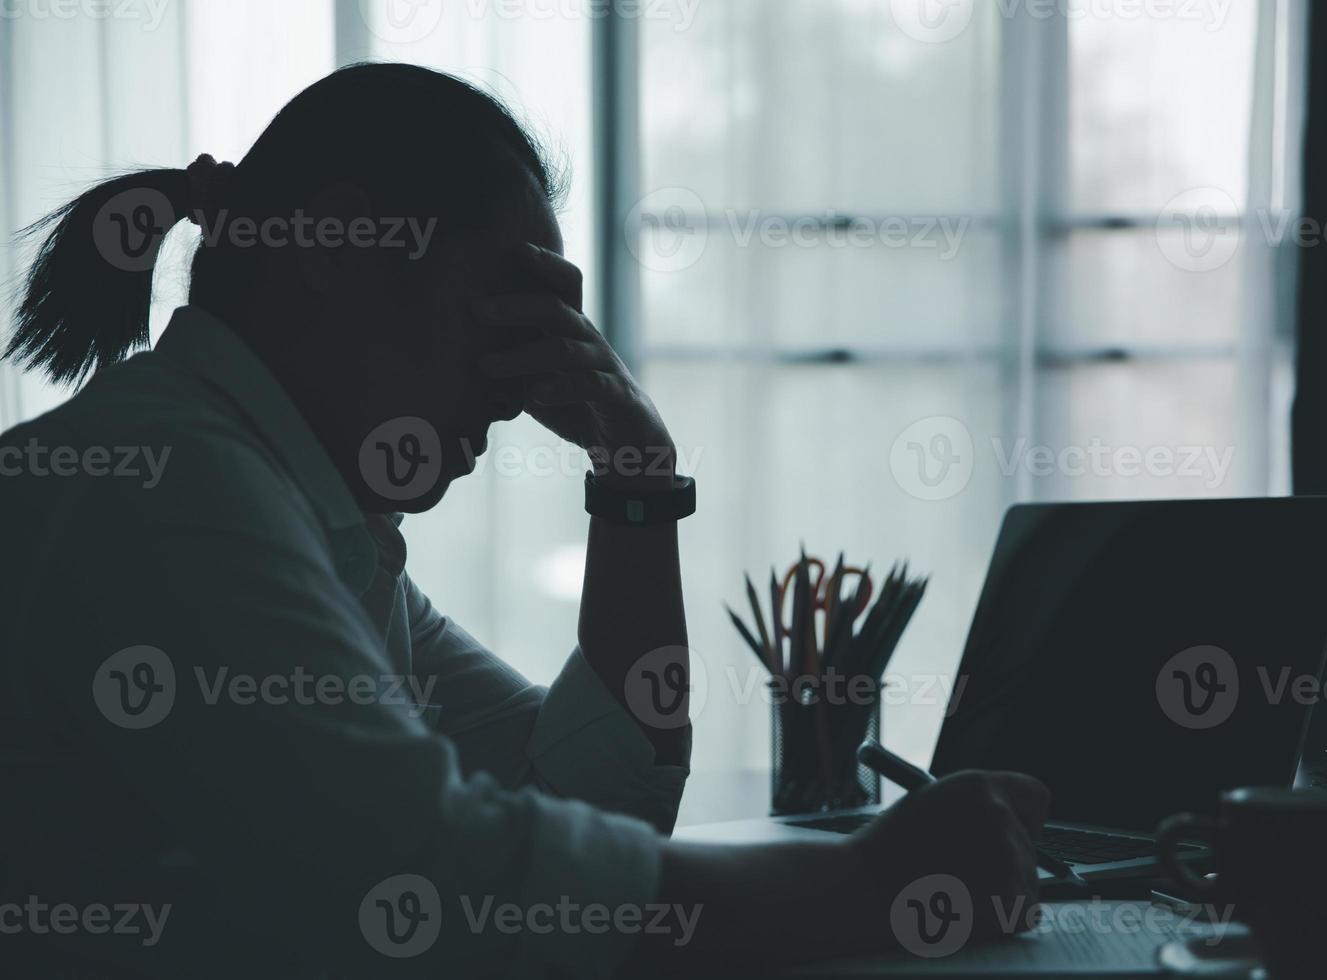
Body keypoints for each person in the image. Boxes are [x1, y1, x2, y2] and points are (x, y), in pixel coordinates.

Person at [0, 63, 1048, 978]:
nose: (533, 374)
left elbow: (594, 814)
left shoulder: (311, 524)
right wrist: (865, 882)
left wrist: (637, 479)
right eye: (515, 300)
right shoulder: (160, 482)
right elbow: (435, 879)